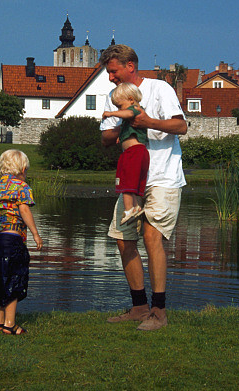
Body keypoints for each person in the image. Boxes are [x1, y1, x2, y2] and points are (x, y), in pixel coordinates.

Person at [99, 44, 187, 331]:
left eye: (113, 71)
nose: (110, 77)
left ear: (130, 66)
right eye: (108, 72)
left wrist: (147, 121)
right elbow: (105, 139)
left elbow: (181, 127)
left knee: (152, 236)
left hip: (163, 176)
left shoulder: (159, 89)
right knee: (123, 238)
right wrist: (119, 127)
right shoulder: (115, 98)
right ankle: (139, 306)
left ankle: (159, 311)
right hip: (132, 180)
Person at [0, 149, 43, 335]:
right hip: (13, 238)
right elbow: (24, 210)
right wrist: (35, 233)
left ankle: (0, 321)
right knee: (14, 278)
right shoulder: (21, 187)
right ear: (23, 169)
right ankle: (10, 324)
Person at [102, 82, 150, 225]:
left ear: (130, 99)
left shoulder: (135, 109)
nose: (118, 110)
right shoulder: (130, 119)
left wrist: (111, 113)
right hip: (135, 152)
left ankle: (129, 210)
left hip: (134, 153)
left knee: (126, 182)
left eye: (119, 106)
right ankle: (135, 207)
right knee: (132, 183)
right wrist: (121, 136)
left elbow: (128, 113)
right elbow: (129, 128)